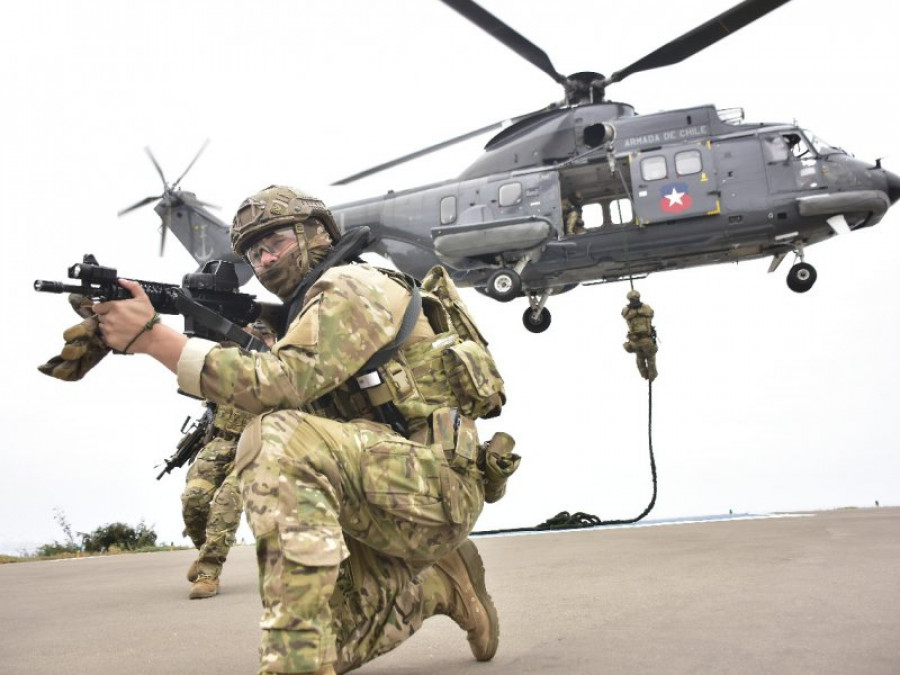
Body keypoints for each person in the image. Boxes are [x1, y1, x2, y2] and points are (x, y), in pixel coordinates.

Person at [91, 186, 519, 675]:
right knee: (336, 644)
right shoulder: (299, 316)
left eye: (276, 242)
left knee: (278, 437)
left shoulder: (353, 285)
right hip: (379, 492)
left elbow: (278, 385)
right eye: (255, 253)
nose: (266, 259)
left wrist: (152, 337)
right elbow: (248, 381)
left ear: (316, 233)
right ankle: (443, 586)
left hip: (435, 489)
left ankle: (293, 663)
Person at [182, 323, 277, 600]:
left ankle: (208, 573)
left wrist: (271, 346)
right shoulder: (230, 356)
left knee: (227, 502)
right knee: (194, 499)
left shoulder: (284, 364)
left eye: (264, 334)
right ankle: (204, 554)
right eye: (252, 333)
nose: (256, 337)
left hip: (256, 445)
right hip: (221, 441)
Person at [622, 289, 658, 381]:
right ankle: (651, 376)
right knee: (651, 359)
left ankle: (646, 375)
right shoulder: (646, 309)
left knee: (640, 359)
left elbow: (624, 315)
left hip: (635, 341)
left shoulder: (627, 311)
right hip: (646, 340)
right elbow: (651, 314)